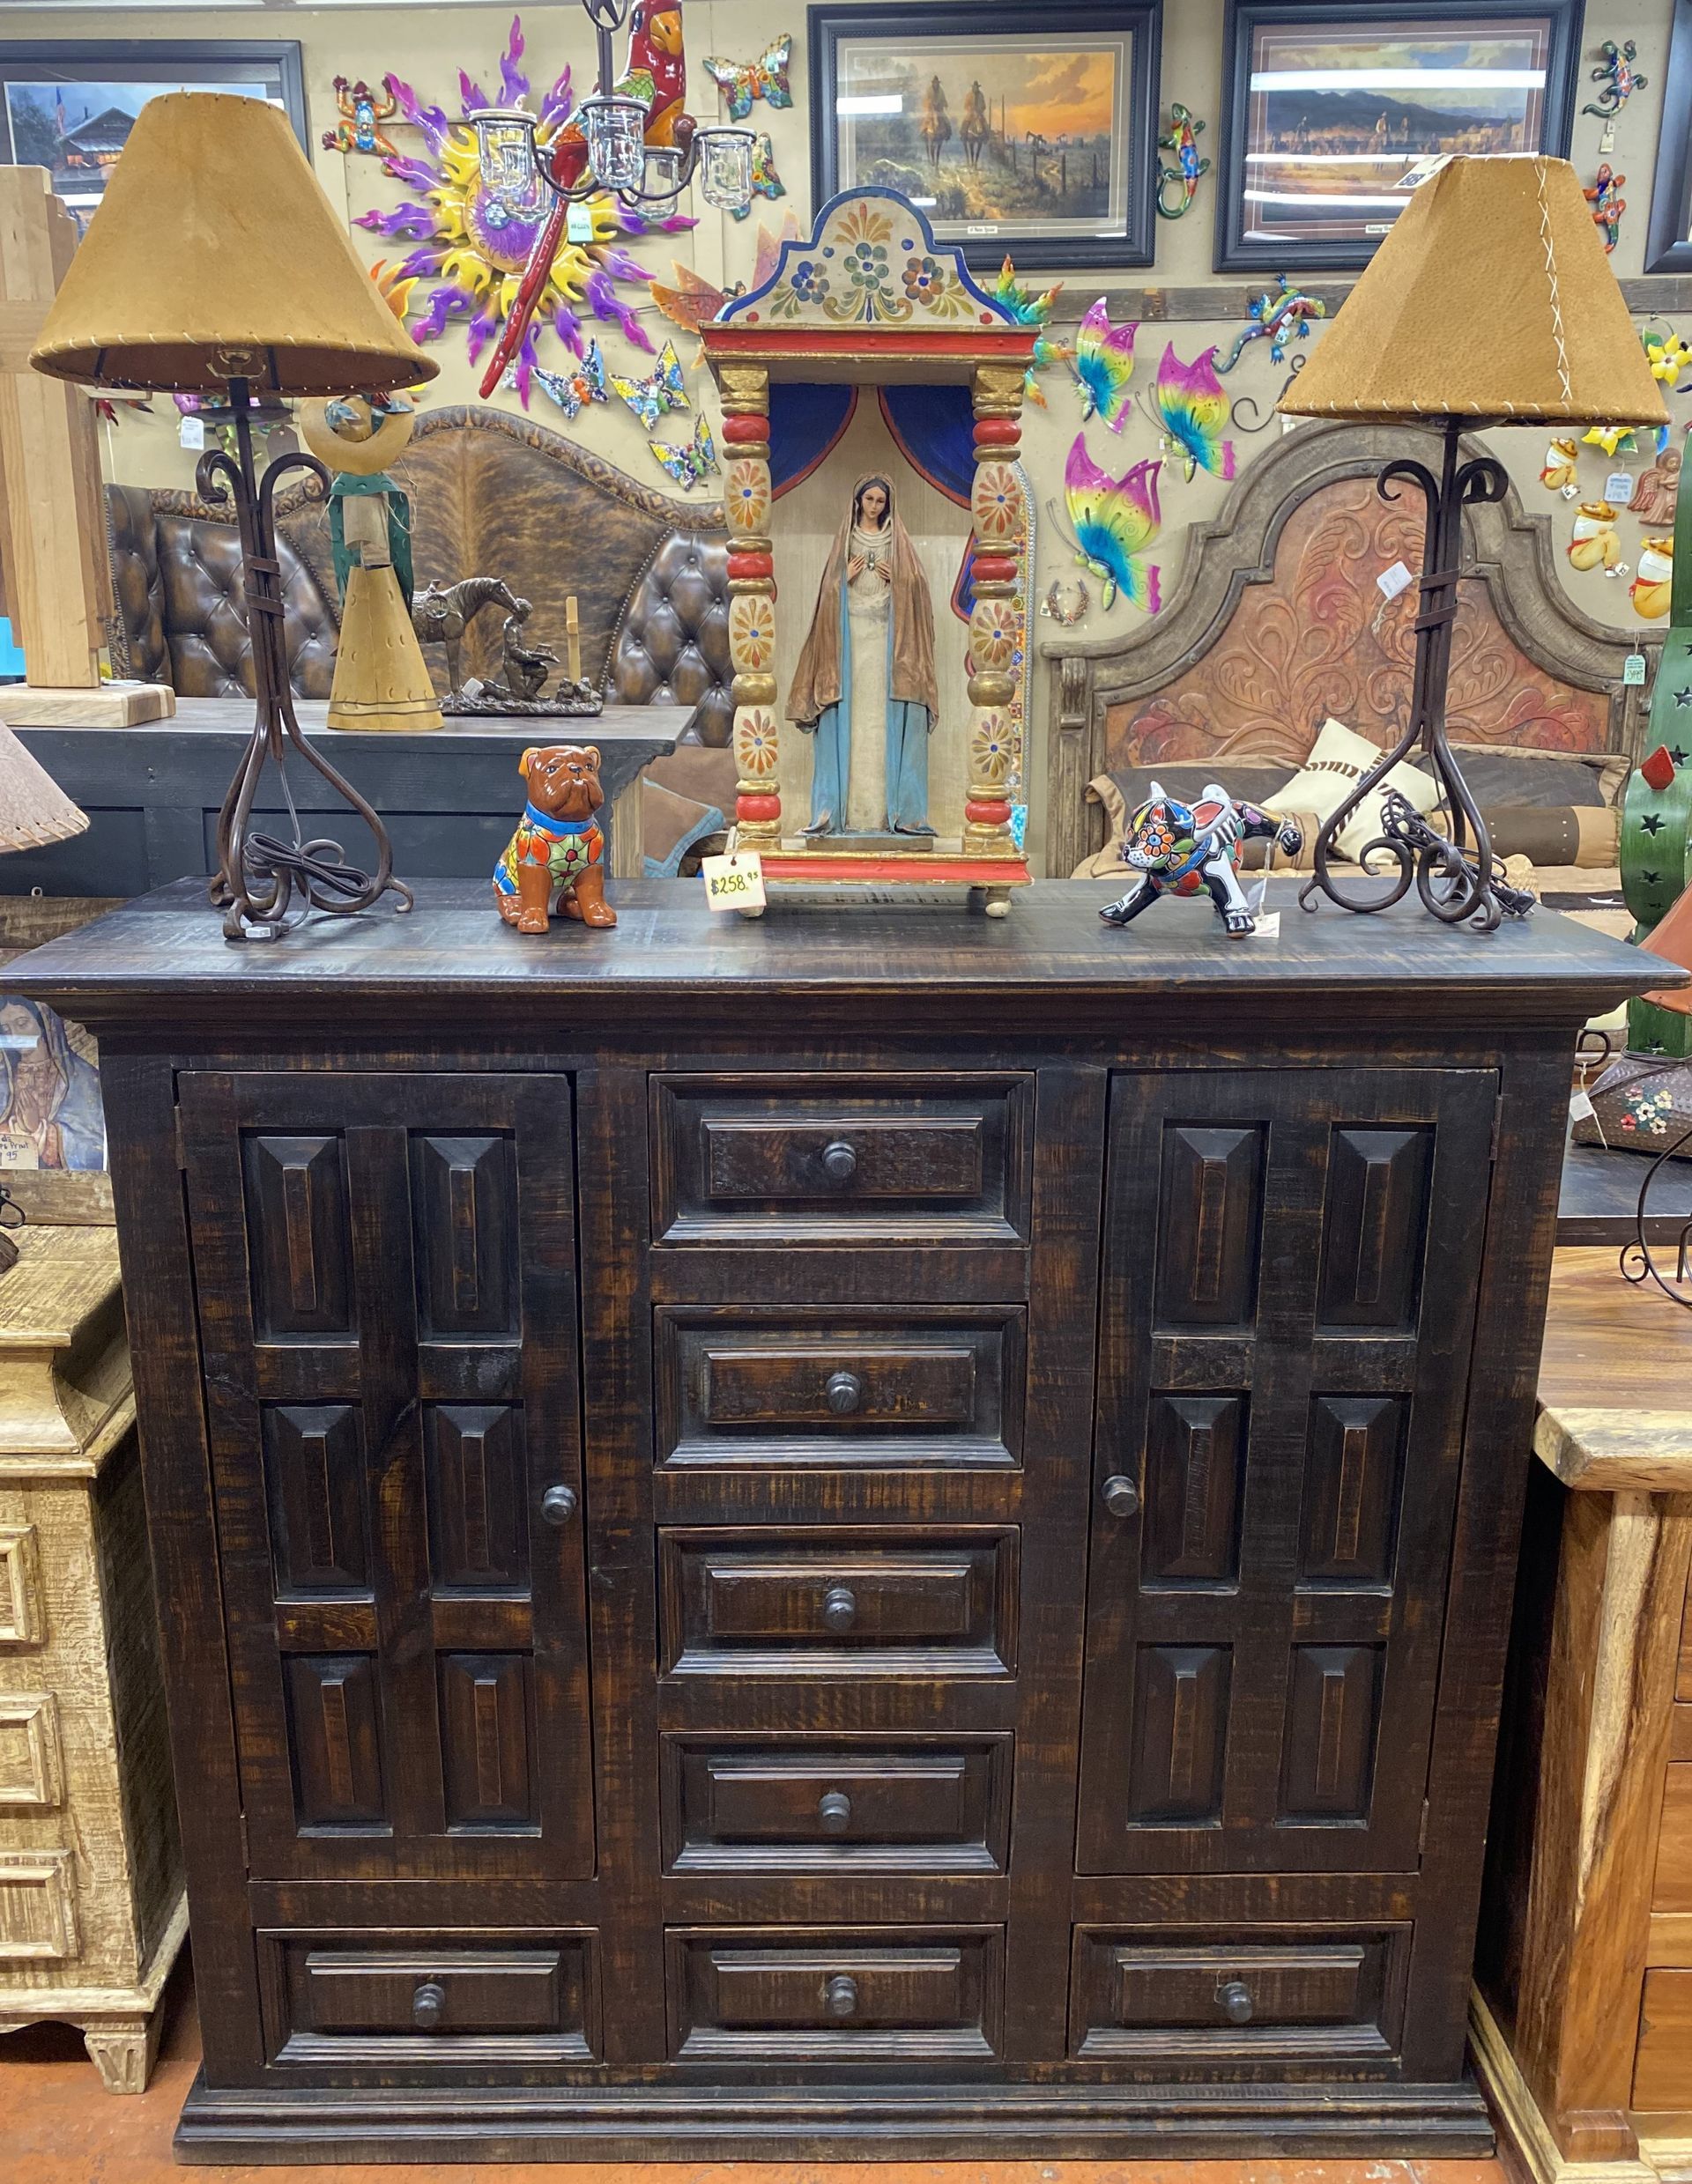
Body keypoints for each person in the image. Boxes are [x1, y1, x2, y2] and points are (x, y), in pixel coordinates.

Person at [786, 475, 940, 836]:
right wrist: (845, 577)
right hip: (850, 645)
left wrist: (900, 579)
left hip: (887, 647)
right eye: (869, 500)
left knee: (880, 728)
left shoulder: (897, 543)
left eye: (880, 501)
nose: (874, 507)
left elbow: (918, 589)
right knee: (852, 726)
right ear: (858, 501)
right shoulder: (846, 541)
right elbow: (828, 595)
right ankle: (842, 815)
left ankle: (891, 816)